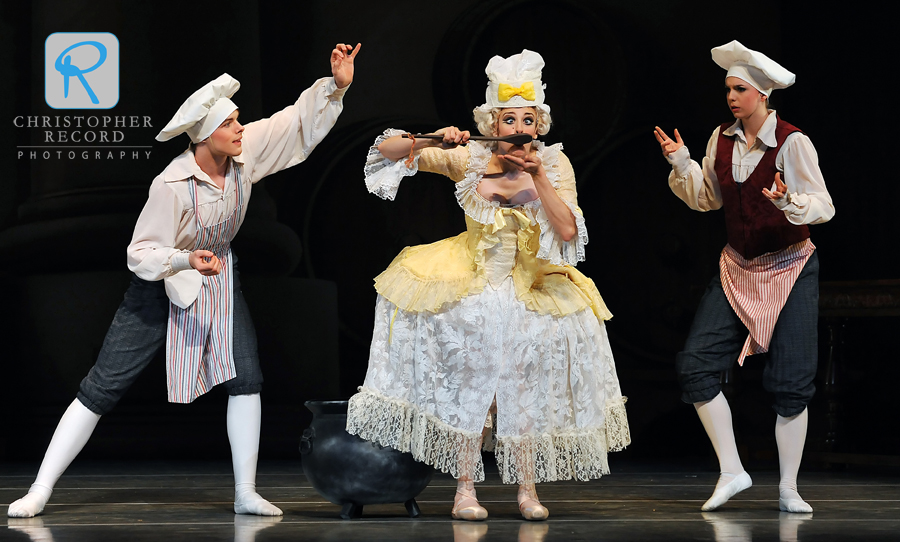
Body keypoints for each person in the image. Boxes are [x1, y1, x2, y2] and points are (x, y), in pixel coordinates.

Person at [7, 42, 361, 519]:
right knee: (102, 386)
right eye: (230, 123)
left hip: (218, 280)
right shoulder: (170, 184)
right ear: (204, 135)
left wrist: (335, 87)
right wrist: (182, 261)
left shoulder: (244, 153)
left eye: (239, 121)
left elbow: (293, 123)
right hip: (161, 283)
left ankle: (245, 491)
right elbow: (141, 252)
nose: (241, 129)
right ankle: (41, 488)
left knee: (246, 378)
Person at [346, 49, 630, 521]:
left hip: (531, 286)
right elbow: (387, 151)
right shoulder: (470, 159)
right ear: (493, 125)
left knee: (521, 384)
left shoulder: (556, 167)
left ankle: (526, 489)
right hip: (472, 282)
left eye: (526, 118)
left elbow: (566, 233)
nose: (518, 127)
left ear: (538, 125)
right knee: (475, 381)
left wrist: (539, 179)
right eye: (507, 119)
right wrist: (435, 137)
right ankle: (464, 490)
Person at [653, 40, 834, 513]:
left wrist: (788, 203)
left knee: (791, 380)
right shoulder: (721, 139)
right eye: (728, 89)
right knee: (695, 363)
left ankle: (789, 487)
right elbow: (709, 198)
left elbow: (823, 205)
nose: (731, 97)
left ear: (762, 95)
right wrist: (682, 163)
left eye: (740, 89)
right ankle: (732, 469)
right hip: (738, 265)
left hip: (790, 265)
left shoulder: (793, 142)